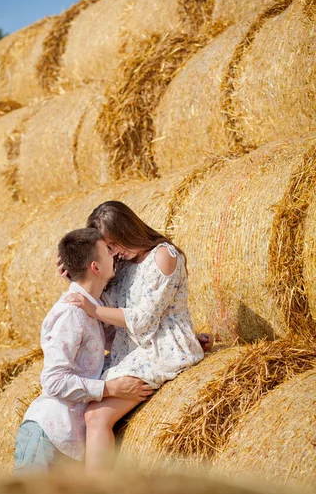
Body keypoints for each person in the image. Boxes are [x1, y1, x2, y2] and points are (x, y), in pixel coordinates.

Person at [64, 201, 210, 472]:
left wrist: (94, 310)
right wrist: (77, 277)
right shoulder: (122, 264)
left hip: (159, 348)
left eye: (114, 243)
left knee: (96, 417)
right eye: (107, 248)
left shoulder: (163, 256)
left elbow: (143, 321)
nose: (114, 251)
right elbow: (103, 299)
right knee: (73, 403)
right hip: (128, 350)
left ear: (127, 229)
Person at [14, 227, 154, 472]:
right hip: (48, 437)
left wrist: (186, 340)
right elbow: (53, 380)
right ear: (95, 268)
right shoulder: (71, 312)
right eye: (108, 251)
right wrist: (110, 389)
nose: (115, 255)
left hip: (68, 442)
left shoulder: (93, 307)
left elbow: (126, 338)